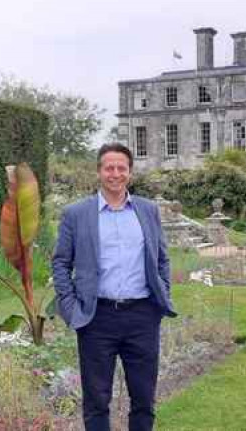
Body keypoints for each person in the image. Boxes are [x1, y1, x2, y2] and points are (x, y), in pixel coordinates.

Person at [52, 142, 176, 431]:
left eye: (122, 168)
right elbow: (60, 263)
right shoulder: (76, 214)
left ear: (130, 173)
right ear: (99, 172)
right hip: (97, 318)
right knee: (96, 401)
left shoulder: (147, 210)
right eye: (109, 167)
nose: (115, 174)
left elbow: (161, 258)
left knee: (144, 399)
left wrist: (162, 296)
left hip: (142, 316)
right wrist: (72, 310)